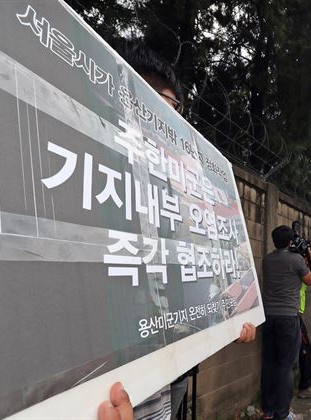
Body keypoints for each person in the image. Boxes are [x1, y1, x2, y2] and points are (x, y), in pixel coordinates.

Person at [102, 39, 256, 420]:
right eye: (156, 104)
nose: (166, 121)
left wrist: (230, 319)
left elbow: (196, 269)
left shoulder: (179, 189)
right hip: (110, 376)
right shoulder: (96, 162)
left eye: (174, 110)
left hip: (171, 363)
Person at [261, 225, 311, 420]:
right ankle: (282, 414)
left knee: (268, 363)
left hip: (267, 317)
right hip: (288, 318)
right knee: (286, 366)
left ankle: (267, 412)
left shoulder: (267, 260)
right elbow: (309, 280)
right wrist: (309, 257)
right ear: (291, 242)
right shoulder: (297, 260)